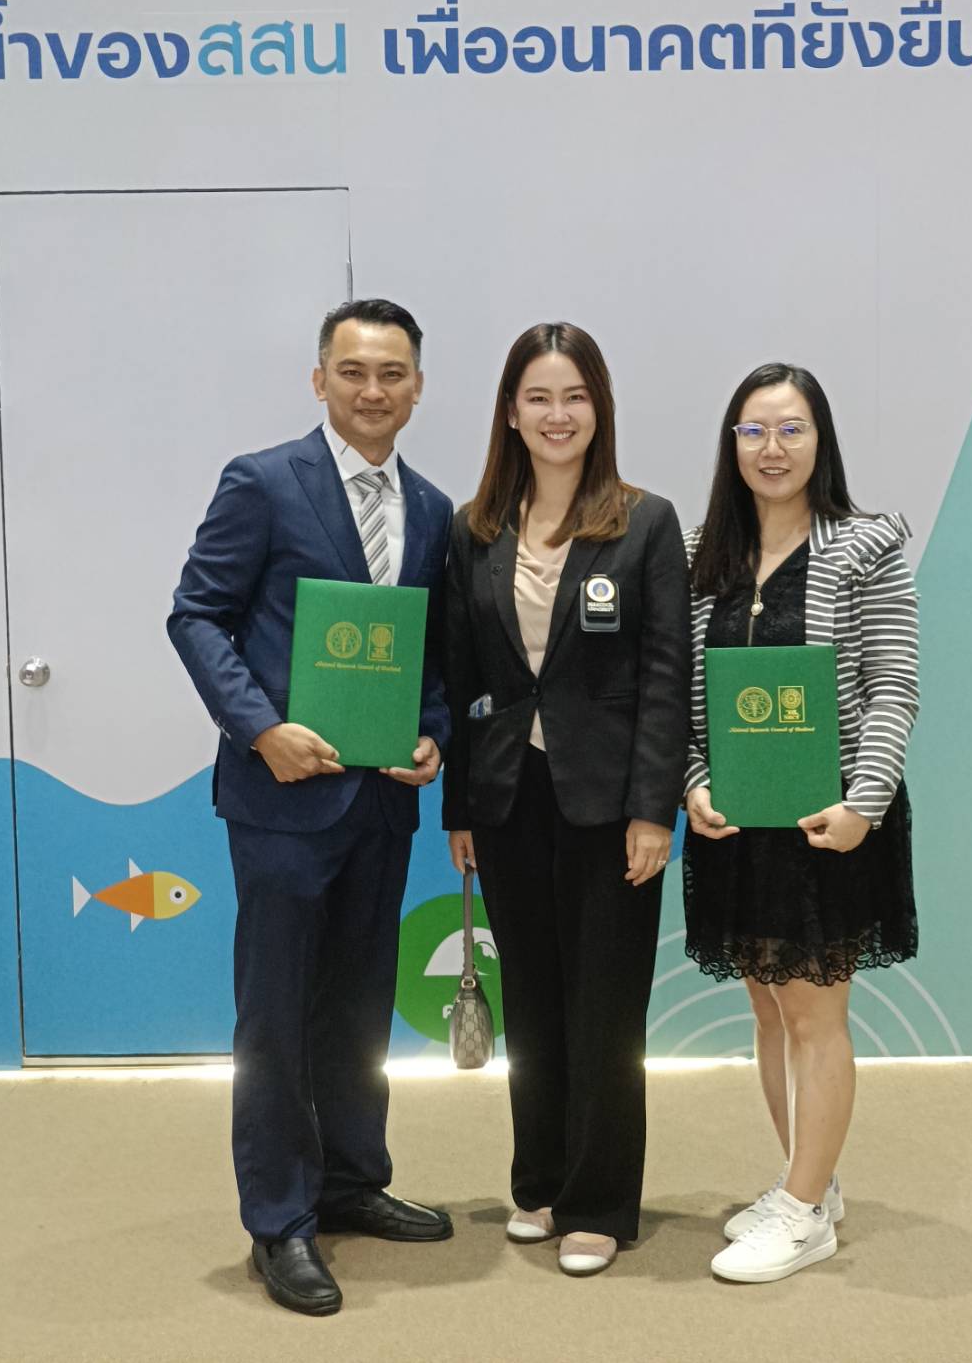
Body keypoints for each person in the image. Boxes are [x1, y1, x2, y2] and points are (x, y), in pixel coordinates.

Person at [168, 298, 454, 1316]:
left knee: (358, 1004)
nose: (373, 390)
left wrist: (432, 734)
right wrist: (260, 728)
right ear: (319, 379)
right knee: (278, 1012)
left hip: (378, 806)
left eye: (392, 373)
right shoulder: (261, 481)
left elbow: (429, 653)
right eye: (354, 371)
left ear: (417, 387)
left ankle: (350, 1181)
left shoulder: (433, 509)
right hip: (281, 801)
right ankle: (279, 1219)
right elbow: (196, 614)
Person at [443, 322, 690, 1277]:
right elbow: (462, 677)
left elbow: (666, 676)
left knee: (604, 1008)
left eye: (575, 396)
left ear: (600, 408)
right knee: (534, 1000)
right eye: (539, 397)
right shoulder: (474, 528)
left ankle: (600, 1203)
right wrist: (461, 809)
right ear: (511, 411)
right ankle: (541, 1182)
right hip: (509, 797)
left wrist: (654, 809)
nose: (558, 415)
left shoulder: (645, 521)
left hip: (611, 804)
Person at [683, 362, 919, 1285]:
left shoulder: (864, 547)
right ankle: (808, 1182)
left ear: (821, 440)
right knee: (768, 1006)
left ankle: (803, 1212)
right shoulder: (703, 555)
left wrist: (865, 802)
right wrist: (695, 783)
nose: (772, 448)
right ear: (731, 444)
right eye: (753, 430)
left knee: (816, 1012)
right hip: (737, 829)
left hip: (831, 823)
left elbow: (893, 684)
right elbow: (687, 699)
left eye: (791, 429)